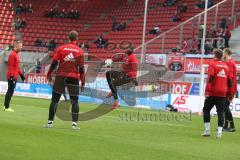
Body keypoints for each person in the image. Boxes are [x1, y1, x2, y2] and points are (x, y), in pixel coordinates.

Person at [44, 31, 85, 130]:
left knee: (55, 100)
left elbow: (54, 63)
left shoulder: (61, 48)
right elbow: (82, 69)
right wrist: (83, 82)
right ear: (77, 38)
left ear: (68, 38)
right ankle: (74, 124)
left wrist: (49, 74)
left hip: (61, 76)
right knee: (74, 101)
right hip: (74, 77)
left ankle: (50, 123)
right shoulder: (80, 51)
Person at [202, 49, 233, 139]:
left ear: (215, 55)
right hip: (223, 93)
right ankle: (219, 133)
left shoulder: (212, 64)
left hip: (213, 92)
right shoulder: (227, 66)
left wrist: (207, 91)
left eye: (213, 54)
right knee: (220, 113)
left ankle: (207, 131)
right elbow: (230, 82)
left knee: (206, 110)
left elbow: (210, 78)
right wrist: (230, 94)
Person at [3, 41, 25, 112]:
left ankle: (6, 106)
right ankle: (6, 107)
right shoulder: (12, 55)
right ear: (16, 46)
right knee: (10, 91)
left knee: (10, 91)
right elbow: (10, 66)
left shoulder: (16, 54)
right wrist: (12, 76)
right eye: (20, 46)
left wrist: (21, 75)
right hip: (11, 76)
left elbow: (17, 67)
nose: (21, 47)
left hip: (14, 76)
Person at [223, 48, 237, 132]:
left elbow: (230, 77)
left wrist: (229, 89)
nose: (223, 55)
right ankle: (225, 126)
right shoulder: (230, 62)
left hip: (229, 88)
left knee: (225, 107)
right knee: (225, 107)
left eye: (224, 53)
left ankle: (232, 126)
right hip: (229, 87)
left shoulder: (229, 63)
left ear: (226, 53)